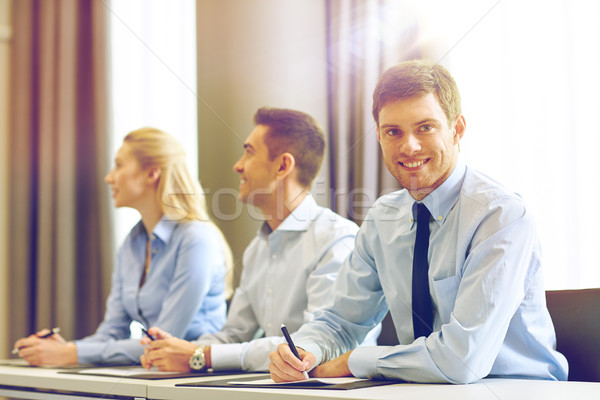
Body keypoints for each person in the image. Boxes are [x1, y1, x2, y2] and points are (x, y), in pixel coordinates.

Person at [269, 60, 569, 383]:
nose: (409, 146)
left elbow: (461, 359)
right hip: (422, 389)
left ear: (457, 130)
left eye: (425, 127)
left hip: (518, 391)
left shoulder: (501, 216)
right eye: (393, 132)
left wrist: (354, 361)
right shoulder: (382, 218)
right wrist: (304, 350)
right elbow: (341, 321)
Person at [140, 107, 379, 373]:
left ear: (283, 166)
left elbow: (309, 348)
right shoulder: (259, 247)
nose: (237, 165)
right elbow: (233, 335)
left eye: (249, 152)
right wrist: (177, 349)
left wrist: (202, 355)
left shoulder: (337, 240)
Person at [14, 127, 233, 366]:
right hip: (156, 374)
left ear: (151, 174)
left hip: (196, 379)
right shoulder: (132, 243)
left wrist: (72, 353)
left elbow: (164, 341)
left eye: (118, 165)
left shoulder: (196, 239)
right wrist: (63, 348)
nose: (109, 177)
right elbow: (112, 331)